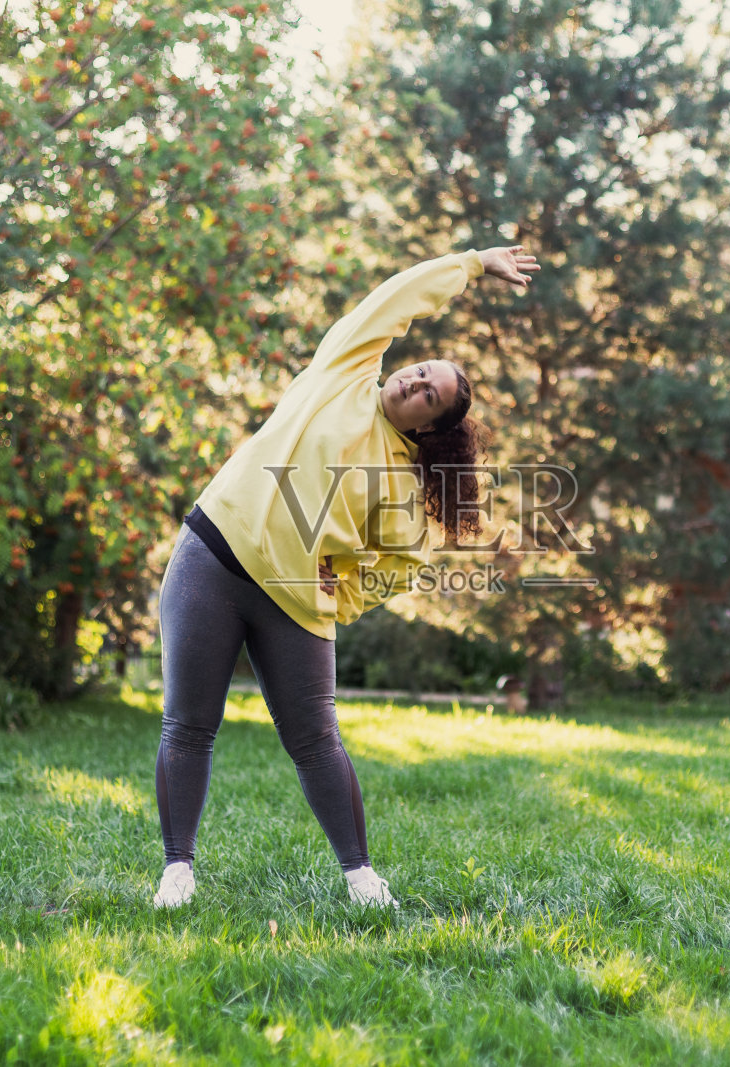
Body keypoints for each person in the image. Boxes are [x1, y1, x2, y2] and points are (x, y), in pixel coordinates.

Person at [152, 245, 540, 908]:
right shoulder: (345, 371)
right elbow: (397, 300)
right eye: (420, 372)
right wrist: (472, 263)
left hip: (295, 605)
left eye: (430, 395)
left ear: (432, 427)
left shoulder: (407, 489)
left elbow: (401, 565)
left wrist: (345, 589)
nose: (414, 384)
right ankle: (177, 870)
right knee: (188, 724)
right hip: (211, 558)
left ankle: (361, 877)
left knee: (315, 739)